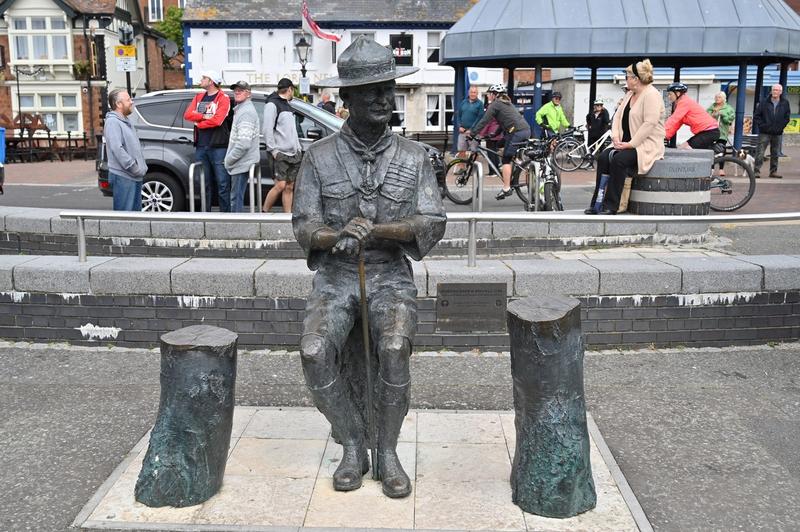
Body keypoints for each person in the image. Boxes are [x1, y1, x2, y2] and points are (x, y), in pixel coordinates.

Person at [292, 36, 446, 499]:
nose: (383, 99)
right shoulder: (318, 158)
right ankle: (353, 443)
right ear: (347, 98)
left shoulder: (414, 157)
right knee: (314, 351)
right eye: (371, 91)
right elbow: (304, 224)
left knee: (395, 346)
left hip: (390, 275)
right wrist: (334, 236)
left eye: (388, 89)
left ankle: (389, 450)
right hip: (337, 278)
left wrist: (382, 230)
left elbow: (431, 220)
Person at [585, 59, 665, 215]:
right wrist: (615, 137)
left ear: (636, 79)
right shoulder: (629, 94)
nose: (625, 79)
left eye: (627, 76)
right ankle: (597, 203)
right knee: (603, 157)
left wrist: (631, 144)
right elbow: (617, 117)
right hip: (624, 142)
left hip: (644, 144)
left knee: (619, 160)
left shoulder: (652, 95)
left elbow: (649, 123)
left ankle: (611, 205)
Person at [464, 83, 531, 200]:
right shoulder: (506, 103)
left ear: (494, 94)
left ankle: (506, 188)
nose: (488, 96)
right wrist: (494, 134)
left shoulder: (495, 104)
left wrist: (472, 134)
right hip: (525, 130)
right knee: (501, 145)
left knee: (506, 159)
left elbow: (484, 120)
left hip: (516, 132)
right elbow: (503, 122)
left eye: (489, 94)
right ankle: (518, 165)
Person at [184, 70, 232, 212]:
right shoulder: (199, 96)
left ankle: (225, 215)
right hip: (201, 146)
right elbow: (188, 114)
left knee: (223, 183)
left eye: (204, 77)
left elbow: (218, 120)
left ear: (211, 81)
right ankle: (205, 214)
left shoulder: (223, 98)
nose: (201, 79)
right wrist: (205, 116)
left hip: (219, 147)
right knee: (203, 183)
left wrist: (199, 124)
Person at [262, 78, 303, 212]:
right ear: (290, 89)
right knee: (280, 185)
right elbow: (267, 129)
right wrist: (273, 151)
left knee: (289, 186)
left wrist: (298, 148)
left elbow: (292, 131)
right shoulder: (272, 104)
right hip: (280, 152)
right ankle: (263, 213)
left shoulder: (288, 106)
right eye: (293, 90)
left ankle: (287, 217)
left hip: (293, 153)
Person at [104, 88, 147, 211]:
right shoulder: (113, 122)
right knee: (125, 217)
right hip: (124, 176)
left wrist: (141, 167)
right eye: (128, 100)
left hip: (133, 176)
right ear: (118, 104)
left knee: (135, 217)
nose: (131, 102)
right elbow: (117, 149)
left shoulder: (126, 121)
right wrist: (133, 167)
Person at [224, 81, 261, 213]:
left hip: (241, 163)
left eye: (241, 90)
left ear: (248, 94)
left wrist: (228, 160)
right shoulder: (241, 110)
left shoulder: (246, 113)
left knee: (235, 199)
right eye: (236, 90)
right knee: (236, 197)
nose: (237, 92)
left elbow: (244, 144)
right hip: (241, 162)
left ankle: (236, 225)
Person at [664, 82, 719, 150]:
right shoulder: (680, 104)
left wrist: (661, 132)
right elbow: (677, 123)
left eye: (670, 94)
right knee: (681, 148)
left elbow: (674, 119)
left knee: (685, 149)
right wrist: (666, 136)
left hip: (709, 132)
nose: (669, 97)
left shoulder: (684, 102)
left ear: (677, 93)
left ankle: (715, 150)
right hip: (705, 132)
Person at [753, 84, 791, 179]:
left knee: (775, 153)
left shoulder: (785, 103)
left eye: (777, 90)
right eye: (773, 90)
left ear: (781, 92)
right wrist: (763, 126)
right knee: (760, 152)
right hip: (764, 132)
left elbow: (787, 117)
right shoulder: (764, 102)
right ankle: (756, 171)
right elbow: (757, 116)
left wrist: (781, 127)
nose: (775, 92)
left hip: (777, 132)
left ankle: (773, 172)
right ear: (771, 91)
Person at [706, 91, 735, 176]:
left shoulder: (728, 108)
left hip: (722, 133)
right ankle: (711, 169)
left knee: (721, 150)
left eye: (719, 97)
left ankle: (721, 169)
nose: (717, 99)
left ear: (723, 99)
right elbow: (705, 116)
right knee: (711, 151)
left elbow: (730, 120)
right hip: (710, 132)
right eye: (716, 97)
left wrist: (722, 114)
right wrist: (713, 114)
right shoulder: (711, 107)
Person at [455, 85, 484, 160]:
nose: (473, 94)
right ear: (468, 93)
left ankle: (474, 166)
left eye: (474, 92)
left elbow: (479, 118)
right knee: (461, 151)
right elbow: (458, 115)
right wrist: (459, 126)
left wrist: (471, 129)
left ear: (477, 93)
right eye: (471, 92)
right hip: (462, 132)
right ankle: (462, 167)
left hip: (474, 133)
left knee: (474, 152)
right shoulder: (463, 102)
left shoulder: (480, 104)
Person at [586, 99, 610, 167]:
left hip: (601, 134)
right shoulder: (592, 113)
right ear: (594, 106)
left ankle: (602, 165)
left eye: (601, 105)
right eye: (597, 105)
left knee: (601, 150)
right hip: (592, 134)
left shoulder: (604, 113)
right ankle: (590, 164)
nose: (599, 106)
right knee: (591, 149)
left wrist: (604, 111)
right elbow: (587, 118)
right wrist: (589, 125)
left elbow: (607, 120)